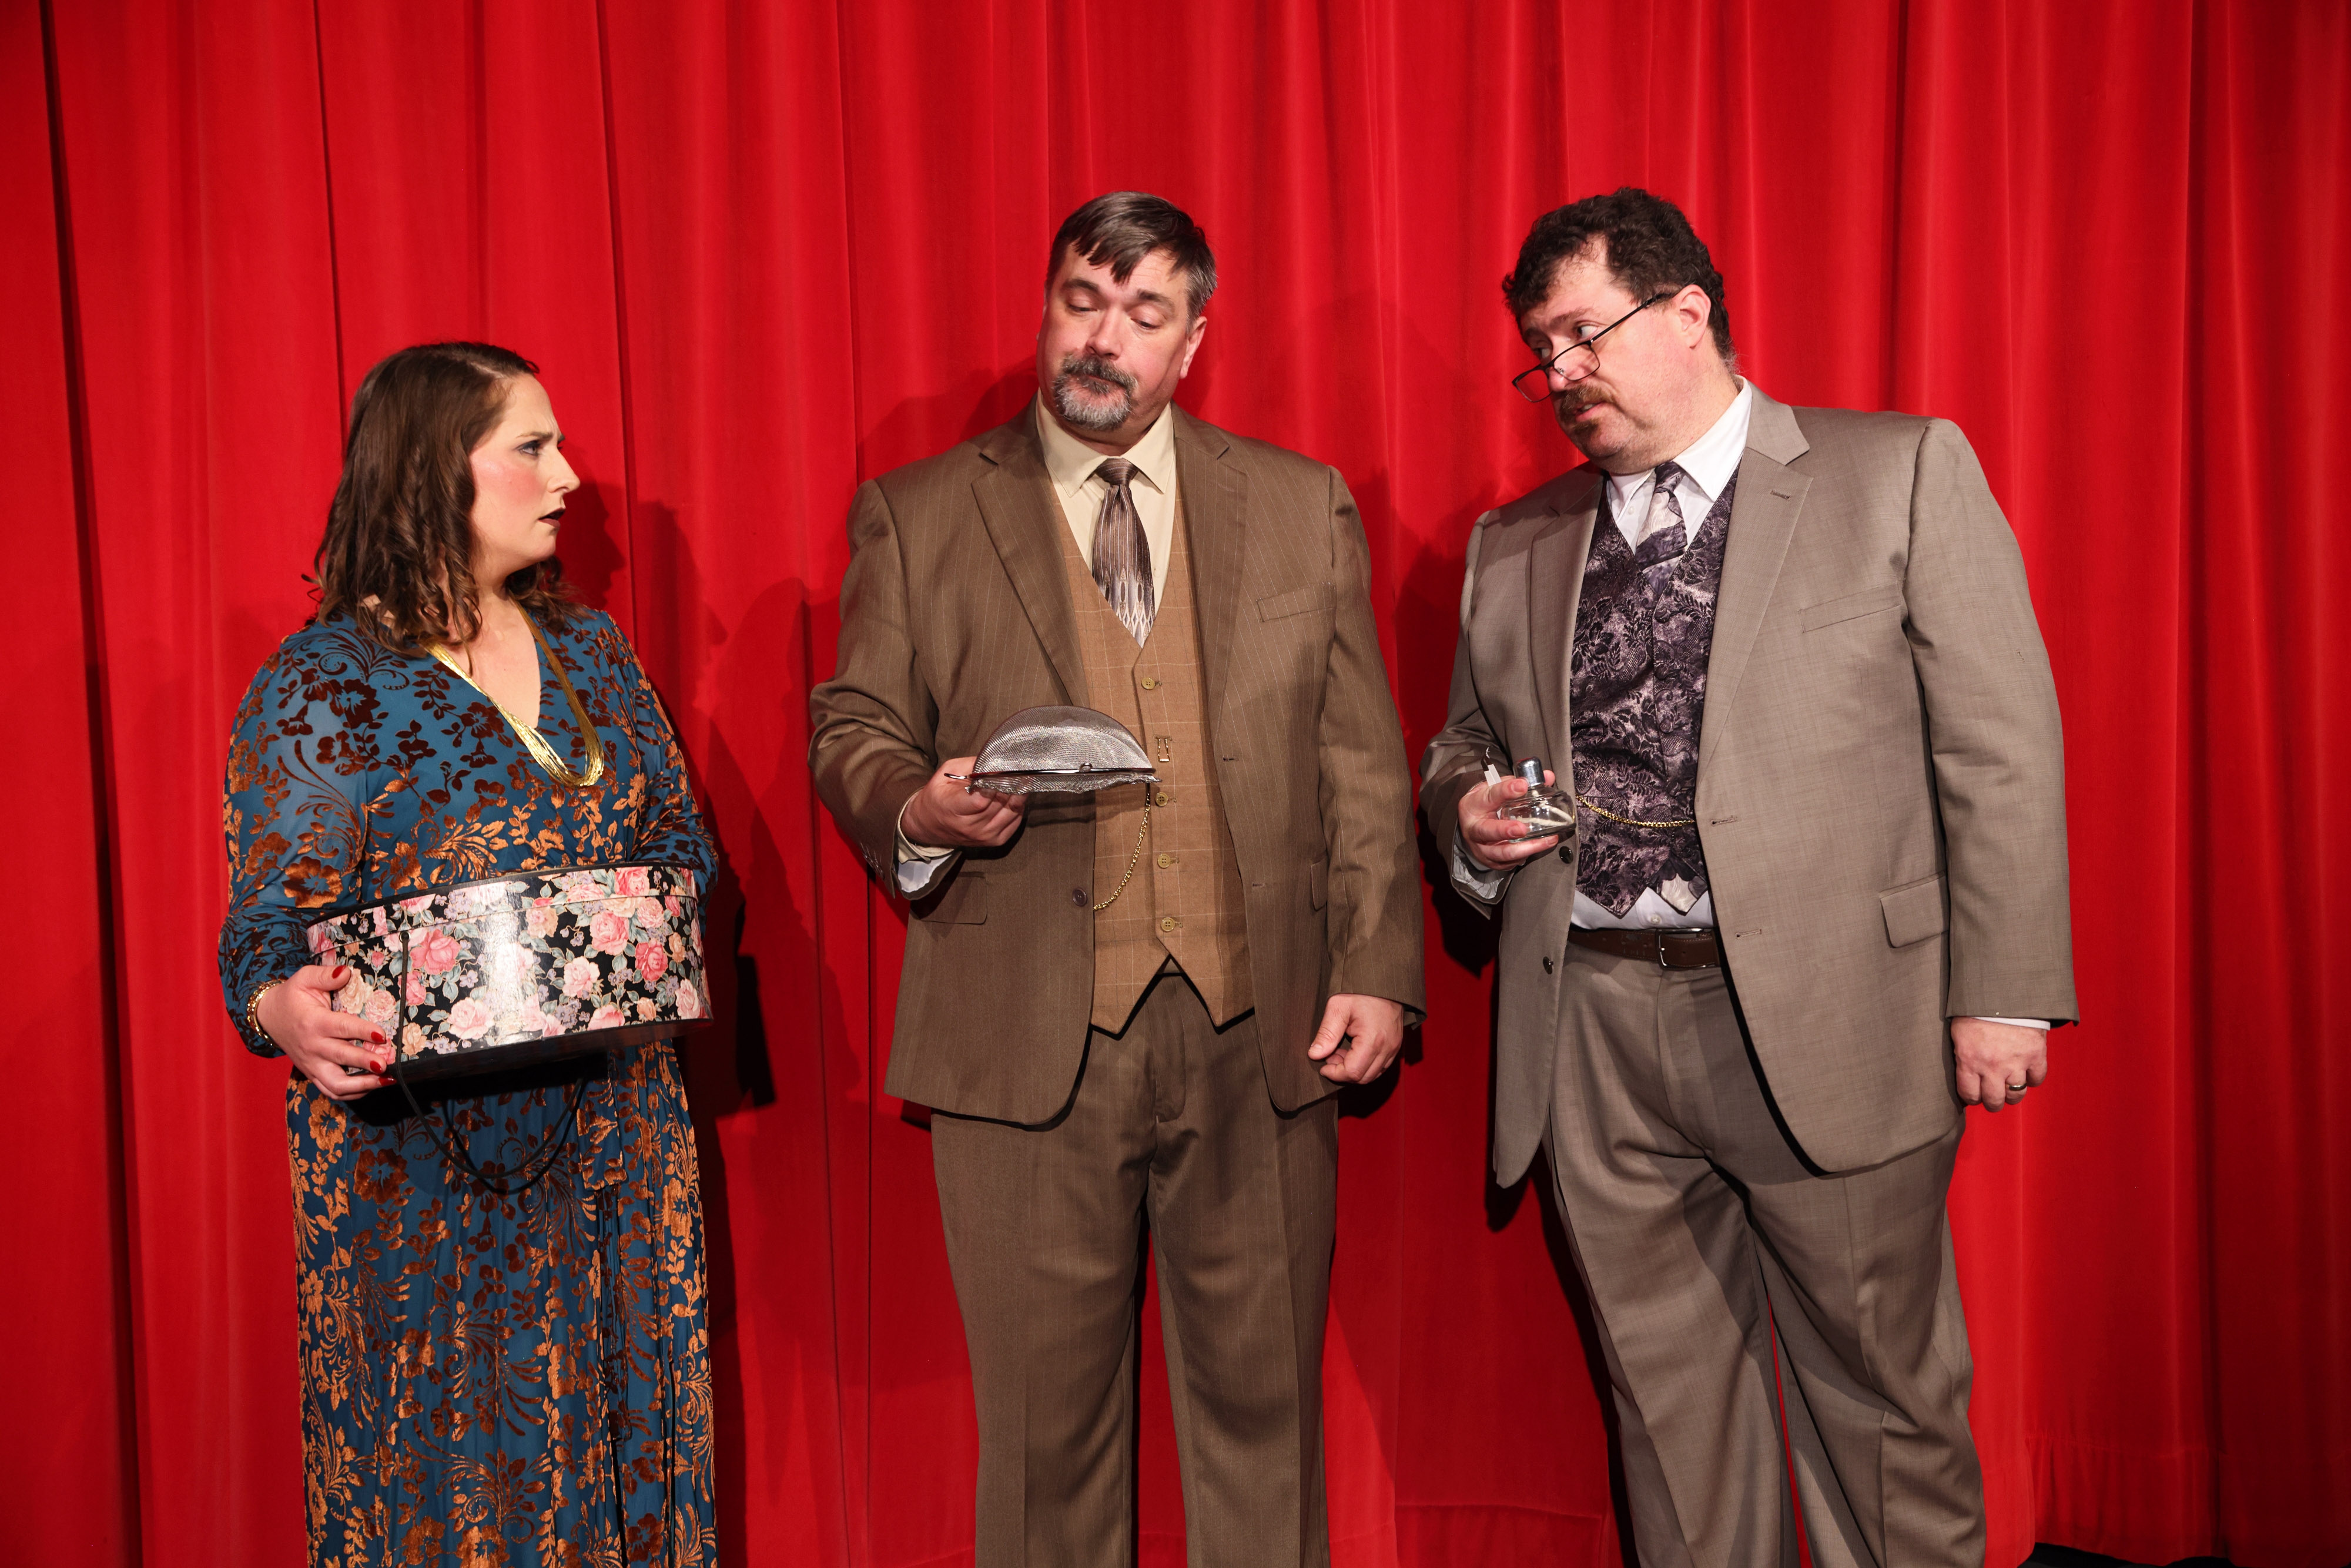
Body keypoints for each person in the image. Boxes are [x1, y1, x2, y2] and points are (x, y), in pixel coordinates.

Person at [1421, 189, 2075, 1568]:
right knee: (1667, 1425)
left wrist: (2003, 989)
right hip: (1591, 1029)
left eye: (1580, 334)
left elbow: (1998, 744)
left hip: (1833, 1015)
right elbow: (1463, 745)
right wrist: (1462, 814)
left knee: (1883, 1413)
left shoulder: (1895, 471)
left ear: (1687, 313)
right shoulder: (1514, 539)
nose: (1558, 373)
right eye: (1539, 352)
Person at [810, 191, 1424, 1567]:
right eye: (1081, 301)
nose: (1103, 337)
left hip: (1258, 1031)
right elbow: (850, 725)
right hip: (1022, 1032)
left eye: (1144, 313)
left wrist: (1376, 965)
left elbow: (1358, 762)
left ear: (1191, 342)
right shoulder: (919, 512)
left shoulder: (1299, 501)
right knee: (1046, 1450)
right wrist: (916, 801)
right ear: (1045, 311)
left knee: (1266, 1430)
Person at [218, 342, 718, 1565]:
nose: (569, 476)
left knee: (628, 1450)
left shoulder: (592, 650)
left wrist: (646, 917)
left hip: (617, 1138)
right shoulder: (323, 682)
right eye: (532, 447)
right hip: (422, 1168)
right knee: (453, 1485)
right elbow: (266, 923)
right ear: (438, 468)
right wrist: (283, 1009)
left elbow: (680, 843)